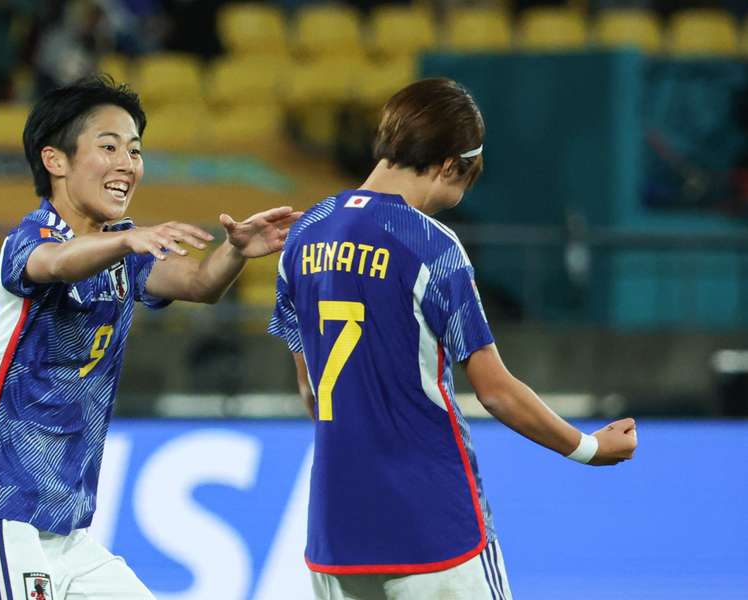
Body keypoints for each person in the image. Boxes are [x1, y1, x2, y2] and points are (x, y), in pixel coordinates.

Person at [0, 75, 300, 599]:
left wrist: (237, 249)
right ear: (55, 160)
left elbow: (199, 283)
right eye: (109, 147)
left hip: (64, 529)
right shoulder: (28, 240)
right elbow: (56, 263)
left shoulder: (123, 250)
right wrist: (128, 238)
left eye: (135, 150)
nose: (128, 163)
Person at [267, 78, 638, 600]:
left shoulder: (303, 235)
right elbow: (495, 390)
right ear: (448, 166)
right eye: (465, 181)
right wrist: (590, 448)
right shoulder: (432, 246)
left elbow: (309, 388)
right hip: (434, 527)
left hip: (337, 530)